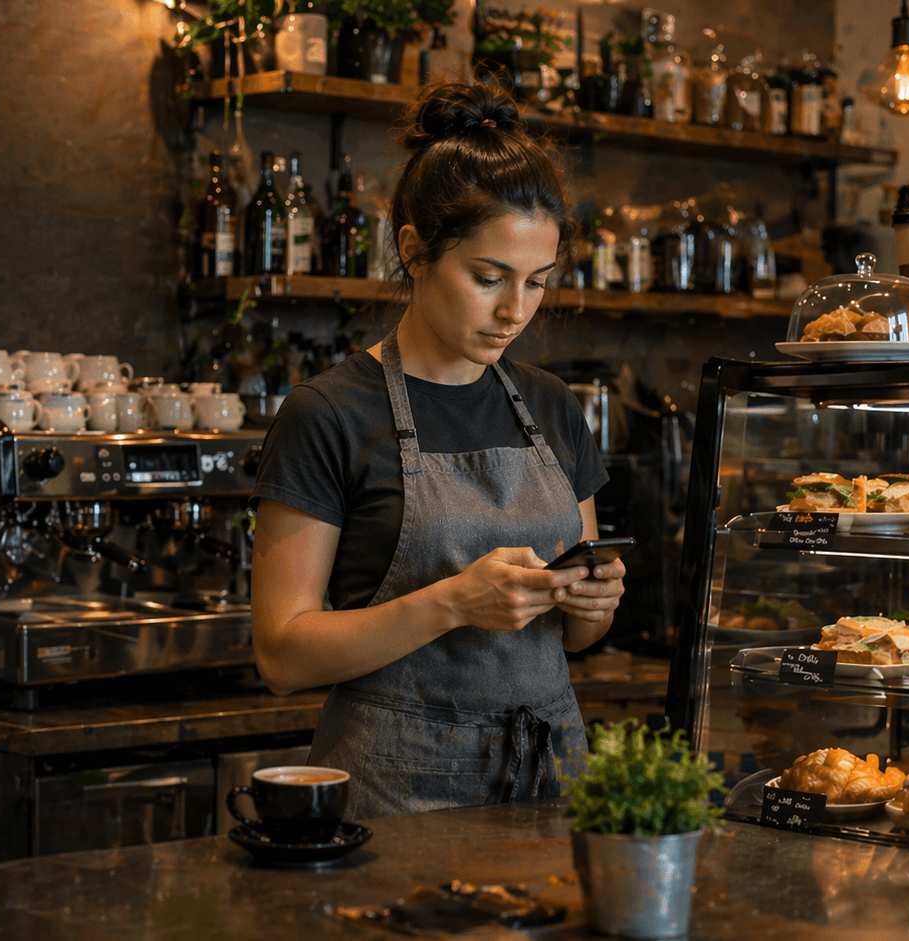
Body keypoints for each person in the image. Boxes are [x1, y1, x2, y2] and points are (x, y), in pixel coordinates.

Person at [248, 82, 626, 820]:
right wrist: (454, 601)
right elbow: (282, 655)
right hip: (395, 791)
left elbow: (580, 639)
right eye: (488, 278)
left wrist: (593, 600)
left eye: (537, 284)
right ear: (414, 250)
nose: (515, 311)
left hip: (550, 777)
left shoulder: (551, 405)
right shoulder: (328, 413)